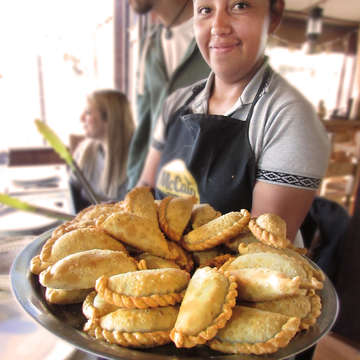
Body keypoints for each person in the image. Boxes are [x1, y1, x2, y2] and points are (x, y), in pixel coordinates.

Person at [137, 0, 331, 244]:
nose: (218, 26)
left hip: (240, 278)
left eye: (239, 6)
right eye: (206, 10)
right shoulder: (176, 103)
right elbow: (144, 190)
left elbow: (260, 252)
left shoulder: (290, 118)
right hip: (167, 270)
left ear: (274, 15)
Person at [126, 0, 211, 189]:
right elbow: (145, 123)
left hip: (201, 200)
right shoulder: (149, 45)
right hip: (149, 189)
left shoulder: (219, 39)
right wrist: (134, 184)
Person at [70, 89, 135, 212]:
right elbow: (72, 191)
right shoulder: (84, 151)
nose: (81, 118)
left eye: (88, 112)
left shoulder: (136, 160)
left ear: (109, 118)